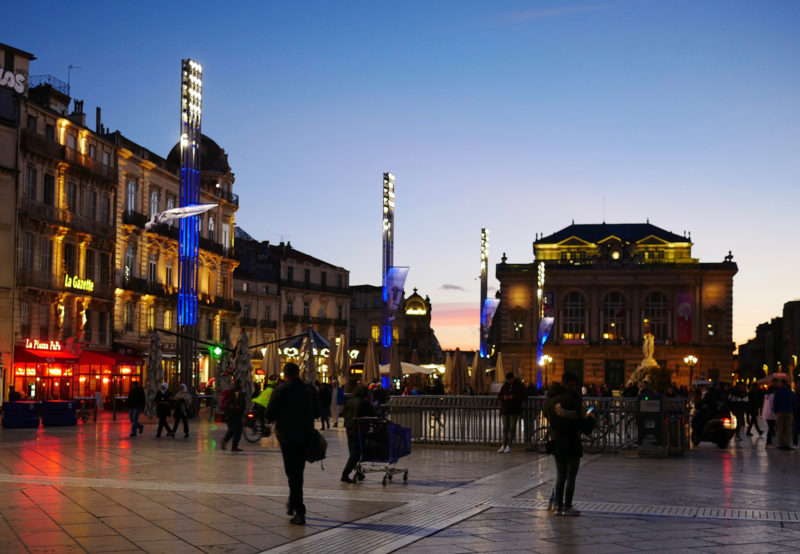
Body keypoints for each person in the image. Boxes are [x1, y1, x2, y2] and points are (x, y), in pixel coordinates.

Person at [266, 362, 320, 525]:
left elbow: (269, 415)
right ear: (298, 373)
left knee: (293, 473)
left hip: (287, 437)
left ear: (285, 374)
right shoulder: (310, 390)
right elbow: (317, 412)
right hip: (306, 435)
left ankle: (299, 511)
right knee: (298, 471)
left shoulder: (281, 390)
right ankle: (293, 501)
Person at [544, 371, 585, 516]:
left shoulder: (550, 397)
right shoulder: (573, 397)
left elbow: (546, 414)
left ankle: (557, 506)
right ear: (567, 383)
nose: (574, 388)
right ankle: (567, 507)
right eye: (573, 385)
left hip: (556, 440)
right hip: (572, 440)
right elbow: (581, 419)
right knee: (571, 476)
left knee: (560, 474)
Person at [341, 384, 376, 483]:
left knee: (352, 451)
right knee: (356, 453)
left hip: (349, 428)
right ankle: (345, 474)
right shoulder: (364, 403)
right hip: (358, 429)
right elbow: (373, 414)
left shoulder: (349, 401)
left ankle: (359, 472)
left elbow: (344, 413)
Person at [497, 371, 526, 453]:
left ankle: (509, 445)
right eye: (508, 380)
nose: (509, 381)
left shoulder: (519, 386)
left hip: (515, 410)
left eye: (510, 379)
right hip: (505, 410)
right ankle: (503, 445)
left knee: (512, 428)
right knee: (505, 428)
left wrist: (513, 397)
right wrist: (504, 397)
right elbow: (499, 396)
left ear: (513, 379)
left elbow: (524, 397)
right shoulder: (505, 386)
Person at [221, 380, 246, 452]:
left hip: (228, 414)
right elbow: (240, 404)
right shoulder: (238, 393)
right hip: (235, 414)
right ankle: (234, 446)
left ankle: (224, 441)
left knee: (232, 429)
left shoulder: (231, 391)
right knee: (238, 430)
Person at [772, 379, 796, 450]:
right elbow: (794, 402)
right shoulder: (791, 393)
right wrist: (793, 411)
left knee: (780, 428)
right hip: (789, 412)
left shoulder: (778, 392)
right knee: (788, 429)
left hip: (780, 412)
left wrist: (776, 412)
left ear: (782, 384)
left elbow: (775, 403)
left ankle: (781, 444)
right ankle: (787, 444)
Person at [763, 383, 776, 449]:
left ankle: (769, 442)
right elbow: (773, 405)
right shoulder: (773, 396)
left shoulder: (766, 396)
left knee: (770, 428)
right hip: (771, 414)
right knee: (771, 428)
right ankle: (768, 443)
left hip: (766, 414)